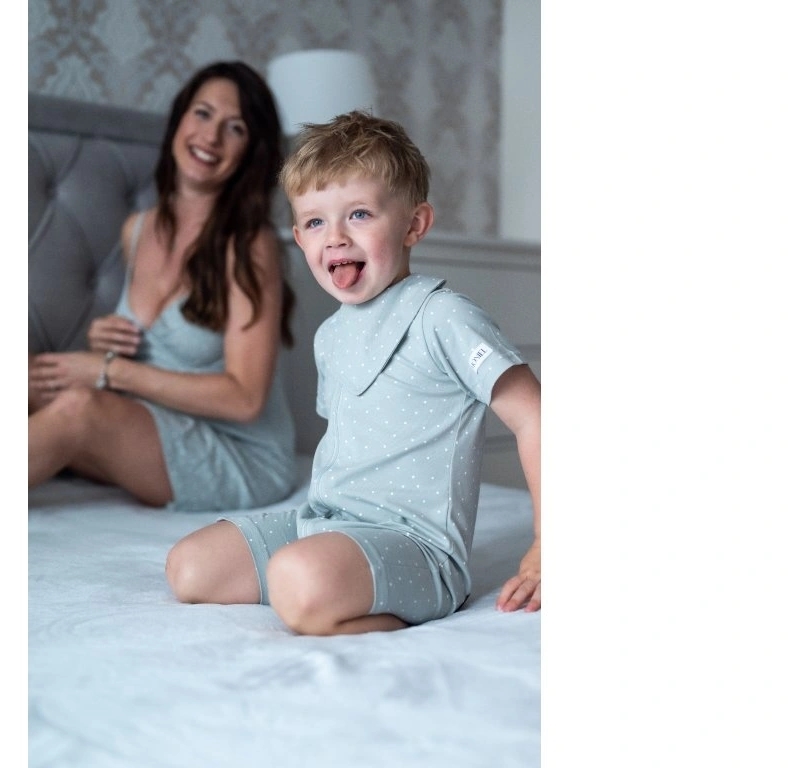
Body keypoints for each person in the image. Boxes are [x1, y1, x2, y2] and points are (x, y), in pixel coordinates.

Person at [165, 111, 541, 634]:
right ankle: (323, 586)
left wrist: (547, 544)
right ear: (300, 238)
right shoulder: (330, 336)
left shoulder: (443, 317)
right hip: (328, 523)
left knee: (296, 579)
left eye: (359, 214)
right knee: (190, 567)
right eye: (316, 222)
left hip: (415, 546)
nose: (335, 237)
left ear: (414, 225)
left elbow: (534, 417)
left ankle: (378, 609)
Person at [28, 61, 298, 512]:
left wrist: (108, 371)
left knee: (80, 409)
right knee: (27, 374)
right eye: (202, 113)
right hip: (153, 421)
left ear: (251, 151)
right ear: (178, 120)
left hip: (238, 454)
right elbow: (151, 352)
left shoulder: (250, 245)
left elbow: (246, 399)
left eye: (234, 128)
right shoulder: (137, 230)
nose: (211, 137)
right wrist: (106, 344)